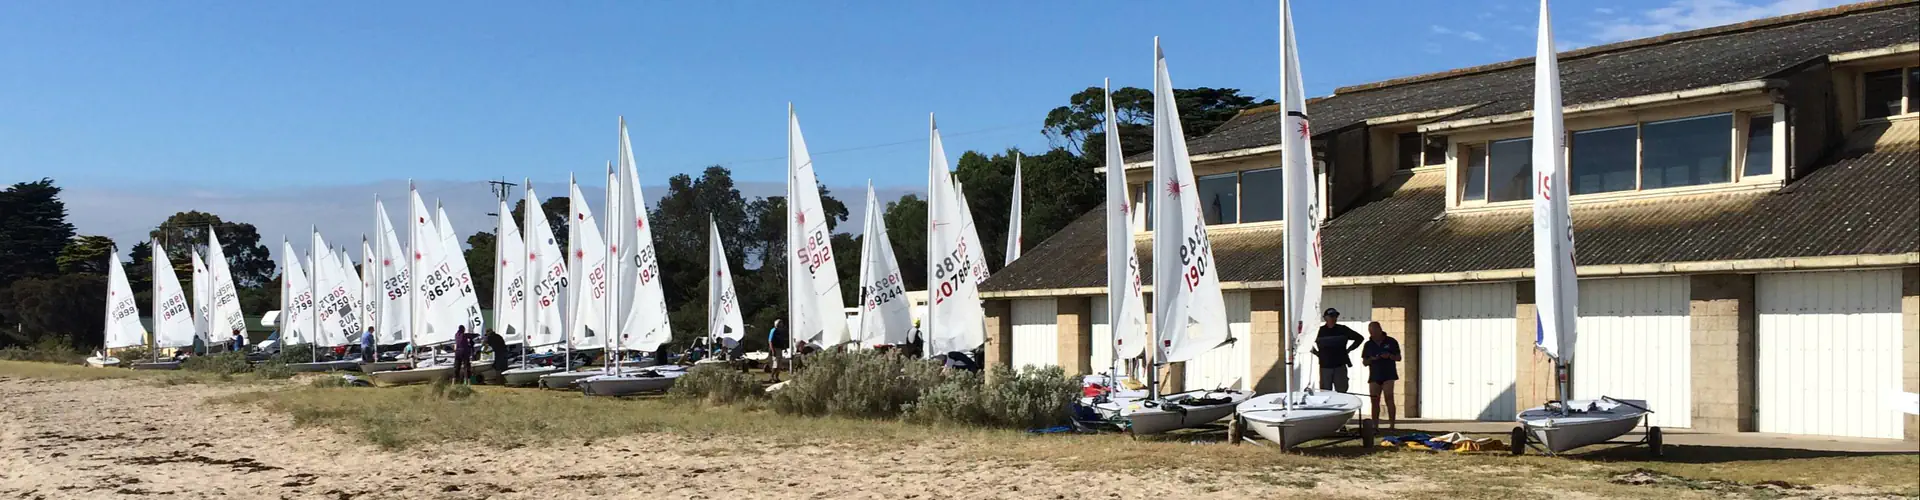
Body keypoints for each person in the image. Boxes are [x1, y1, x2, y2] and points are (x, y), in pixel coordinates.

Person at [1309, 308, 1364, 393]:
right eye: (1331, 316)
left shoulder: (1343, 329)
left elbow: (1359, 338)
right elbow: (1305, 342)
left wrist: (1349, 349)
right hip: (1325, 366)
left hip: (1340, 366)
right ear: (1325, 318)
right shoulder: (1319, 331)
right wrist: (1317, 353)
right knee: (1325, 393)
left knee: (1342, 392)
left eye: (1335, 316)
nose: (1333, 318)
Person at [1361, 321, 1403, 428]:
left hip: (1389, 374)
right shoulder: (1368, 344)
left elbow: (1398, 358)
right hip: (1374, 375)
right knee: (1374, 400)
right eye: (1370, 332)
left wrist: (1389, 355)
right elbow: (1364, 362)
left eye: (1374, 331)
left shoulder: (1391, 341)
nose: (1372, 334)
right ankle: (1375, 425)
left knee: (1389, 397)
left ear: (1380, 330)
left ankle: (1392, 425)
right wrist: (1372, 359)